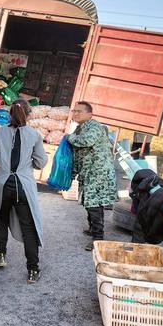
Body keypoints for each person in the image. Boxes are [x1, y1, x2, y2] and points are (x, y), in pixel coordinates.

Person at [0, 99, 48, 284]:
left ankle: (0, 256)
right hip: (23, 186)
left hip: (3, 185)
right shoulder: (34, 135)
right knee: (29, 227)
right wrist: (30, 163)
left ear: (10, 114)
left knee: (1, 219)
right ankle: (33, 270)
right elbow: (41, 161)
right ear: (28, 114)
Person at [67, 101, 118, 251]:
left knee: (94, 204)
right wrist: (73, 173)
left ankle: (98, 239)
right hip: (88, 171)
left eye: (79, 111)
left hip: (98, 172)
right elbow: (78, 154)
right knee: (89, 203)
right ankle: (92, 229)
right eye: (74, 111)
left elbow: (87, 141)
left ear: (90, 114)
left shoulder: (95, 127)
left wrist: (68, 138)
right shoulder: (79, 129)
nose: (75, 113)